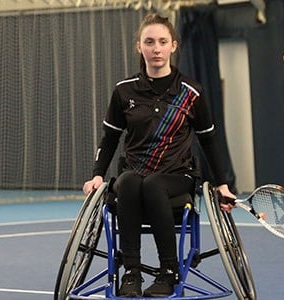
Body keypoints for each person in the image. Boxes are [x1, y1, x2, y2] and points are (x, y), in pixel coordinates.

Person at [82, 13, 237, 298]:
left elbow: (209, 141)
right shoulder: (123, 91)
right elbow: (110, 138)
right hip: (134, 175)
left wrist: (223, 184)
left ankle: (169, 271)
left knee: (152, 183)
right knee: (128, 181)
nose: (156, 48)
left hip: (177, 177)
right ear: (138, 47)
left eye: (162, 42)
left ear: (173, 46)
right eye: (149, 42)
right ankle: (132, 273)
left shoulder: (191, 93)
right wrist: (97, 175)